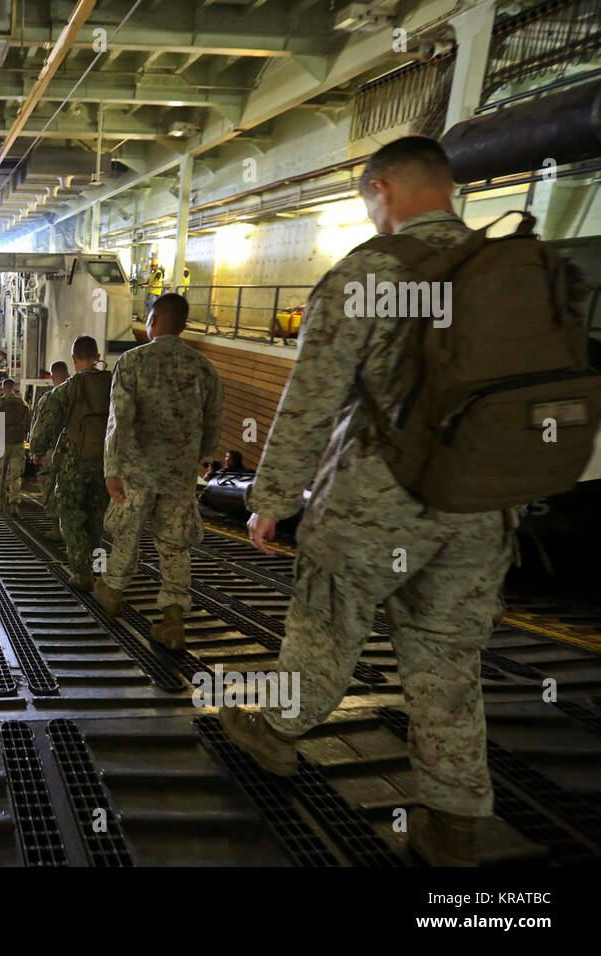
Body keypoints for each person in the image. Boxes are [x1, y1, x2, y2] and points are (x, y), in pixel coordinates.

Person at [224, 136, 523, 867]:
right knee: (448, 662)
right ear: (446, 189)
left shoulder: (370, 274)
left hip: (376, 505)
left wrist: (270, 500)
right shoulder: (514, 268)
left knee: (326, 628)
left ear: (382, 189)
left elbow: (310, 401)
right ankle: (452, 819)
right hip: (484, 507)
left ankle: (279, 733)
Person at [95, 293, 224, 648]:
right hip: (180, 475)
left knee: (127, 533)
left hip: (138, 469)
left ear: (152, 322)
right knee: (174, 544)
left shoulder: (133, 361)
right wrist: (198, 458)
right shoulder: (203, 367)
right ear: (183, 325)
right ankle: (172, 620)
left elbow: (118, 420)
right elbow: (214, 421)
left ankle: (113, 590)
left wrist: (112, 468)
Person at [31, 340, 111, 590]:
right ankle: (100, 570)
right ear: (97, 356)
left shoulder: (67, 389)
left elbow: (47, 424)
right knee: (97, 520)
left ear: (74, 359)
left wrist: (38, 450)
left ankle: (82, 572)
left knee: (73, 517)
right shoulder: (115, 386)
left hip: (74, 463)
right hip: (107, 465)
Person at [28, 360, 70, 541]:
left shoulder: (48, 398)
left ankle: (56, 527)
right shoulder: (76, 395)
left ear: (52, 377)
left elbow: (39, 427)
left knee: (51, 487)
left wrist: (36, 452)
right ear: (68, 375)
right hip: (75, 450)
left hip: (53, 452)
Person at [0, 378, 30, 517]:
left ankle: (0, 503)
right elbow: (28, 423)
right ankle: (14, 504)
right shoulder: (23, 404)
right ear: (14, 388)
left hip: (1, 442)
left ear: (3, 388)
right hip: (17, 443)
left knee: (0, 474)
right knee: (15, 475)